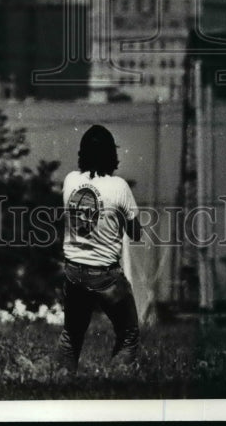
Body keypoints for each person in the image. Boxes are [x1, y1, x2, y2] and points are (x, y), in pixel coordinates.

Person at [57, 124, 141, 372]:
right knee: (128, 334)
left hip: (73, 272)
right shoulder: (119, 187)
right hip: (106, 276)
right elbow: (135, 234)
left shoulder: (70, 181)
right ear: (111, 156)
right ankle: (115, 382)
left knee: (72, 335)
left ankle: (59, 383)